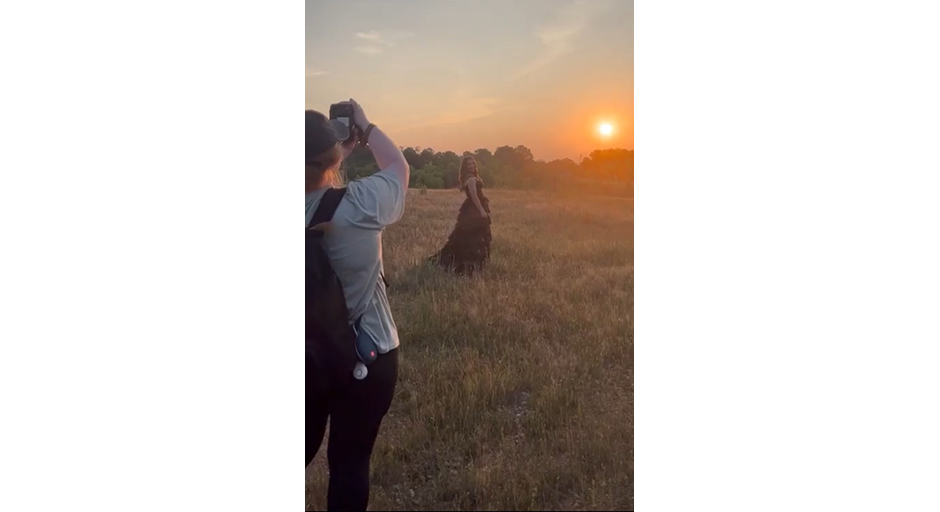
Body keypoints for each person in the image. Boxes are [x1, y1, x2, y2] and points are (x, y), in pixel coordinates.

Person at [305, 99, 409, 511]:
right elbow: (399, 170)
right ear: (332, 157)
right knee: (350, 463)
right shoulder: (360, 204)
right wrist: (363, 129)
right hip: (367, 357)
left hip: (301, 357)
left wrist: (331, 155)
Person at [429, 156, 492, 275]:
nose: (471, 166)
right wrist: (482, 211)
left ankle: (474, 264)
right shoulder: (471, 180)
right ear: (465, 167)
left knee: (472, 237)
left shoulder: (473, 178)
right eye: (468, 164)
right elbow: (474, 197)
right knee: (472, 238)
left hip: (474, 209)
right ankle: (467, 264)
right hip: (474, 210)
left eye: (473, 163)